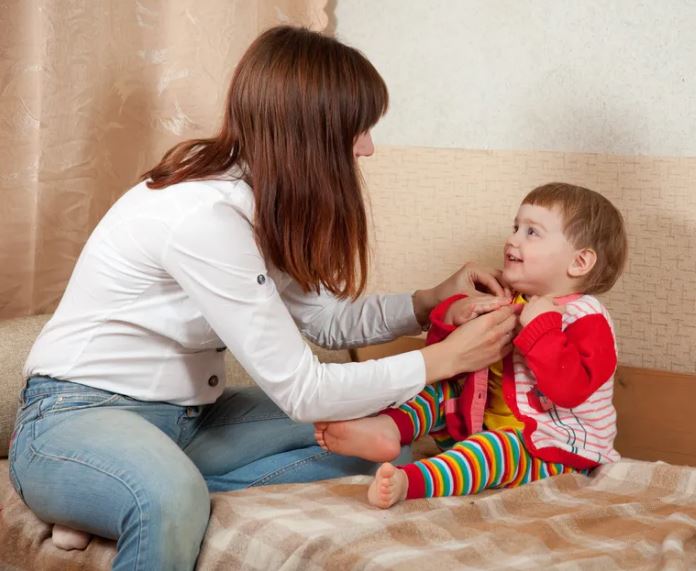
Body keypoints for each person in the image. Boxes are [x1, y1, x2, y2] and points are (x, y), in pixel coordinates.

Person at [8, 26, 519, 570]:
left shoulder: (262, 201)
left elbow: (326, 321)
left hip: (189, 420)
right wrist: (442, 360)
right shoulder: (203, 217)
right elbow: (303, 390)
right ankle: (148, 493)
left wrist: (427, 301)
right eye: (359, 128)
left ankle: (120, 497)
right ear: (311, 133)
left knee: (378, 439)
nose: (368, 147)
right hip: (75, 418)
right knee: (168, 499)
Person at [314, 182, 628, 509]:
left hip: (554, 449)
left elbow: (570, 389)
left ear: (579, 262)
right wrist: (452, 315)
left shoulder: (587, 317)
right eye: (515, 228)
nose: (513, 239)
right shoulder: (507, 298)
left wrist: (542, 328)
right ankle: (389, 428)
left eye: (532, 232)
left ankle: (411, 481)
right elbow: (450, 358)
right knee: (436, 391)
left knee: (491, 450)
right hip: (477, 424)